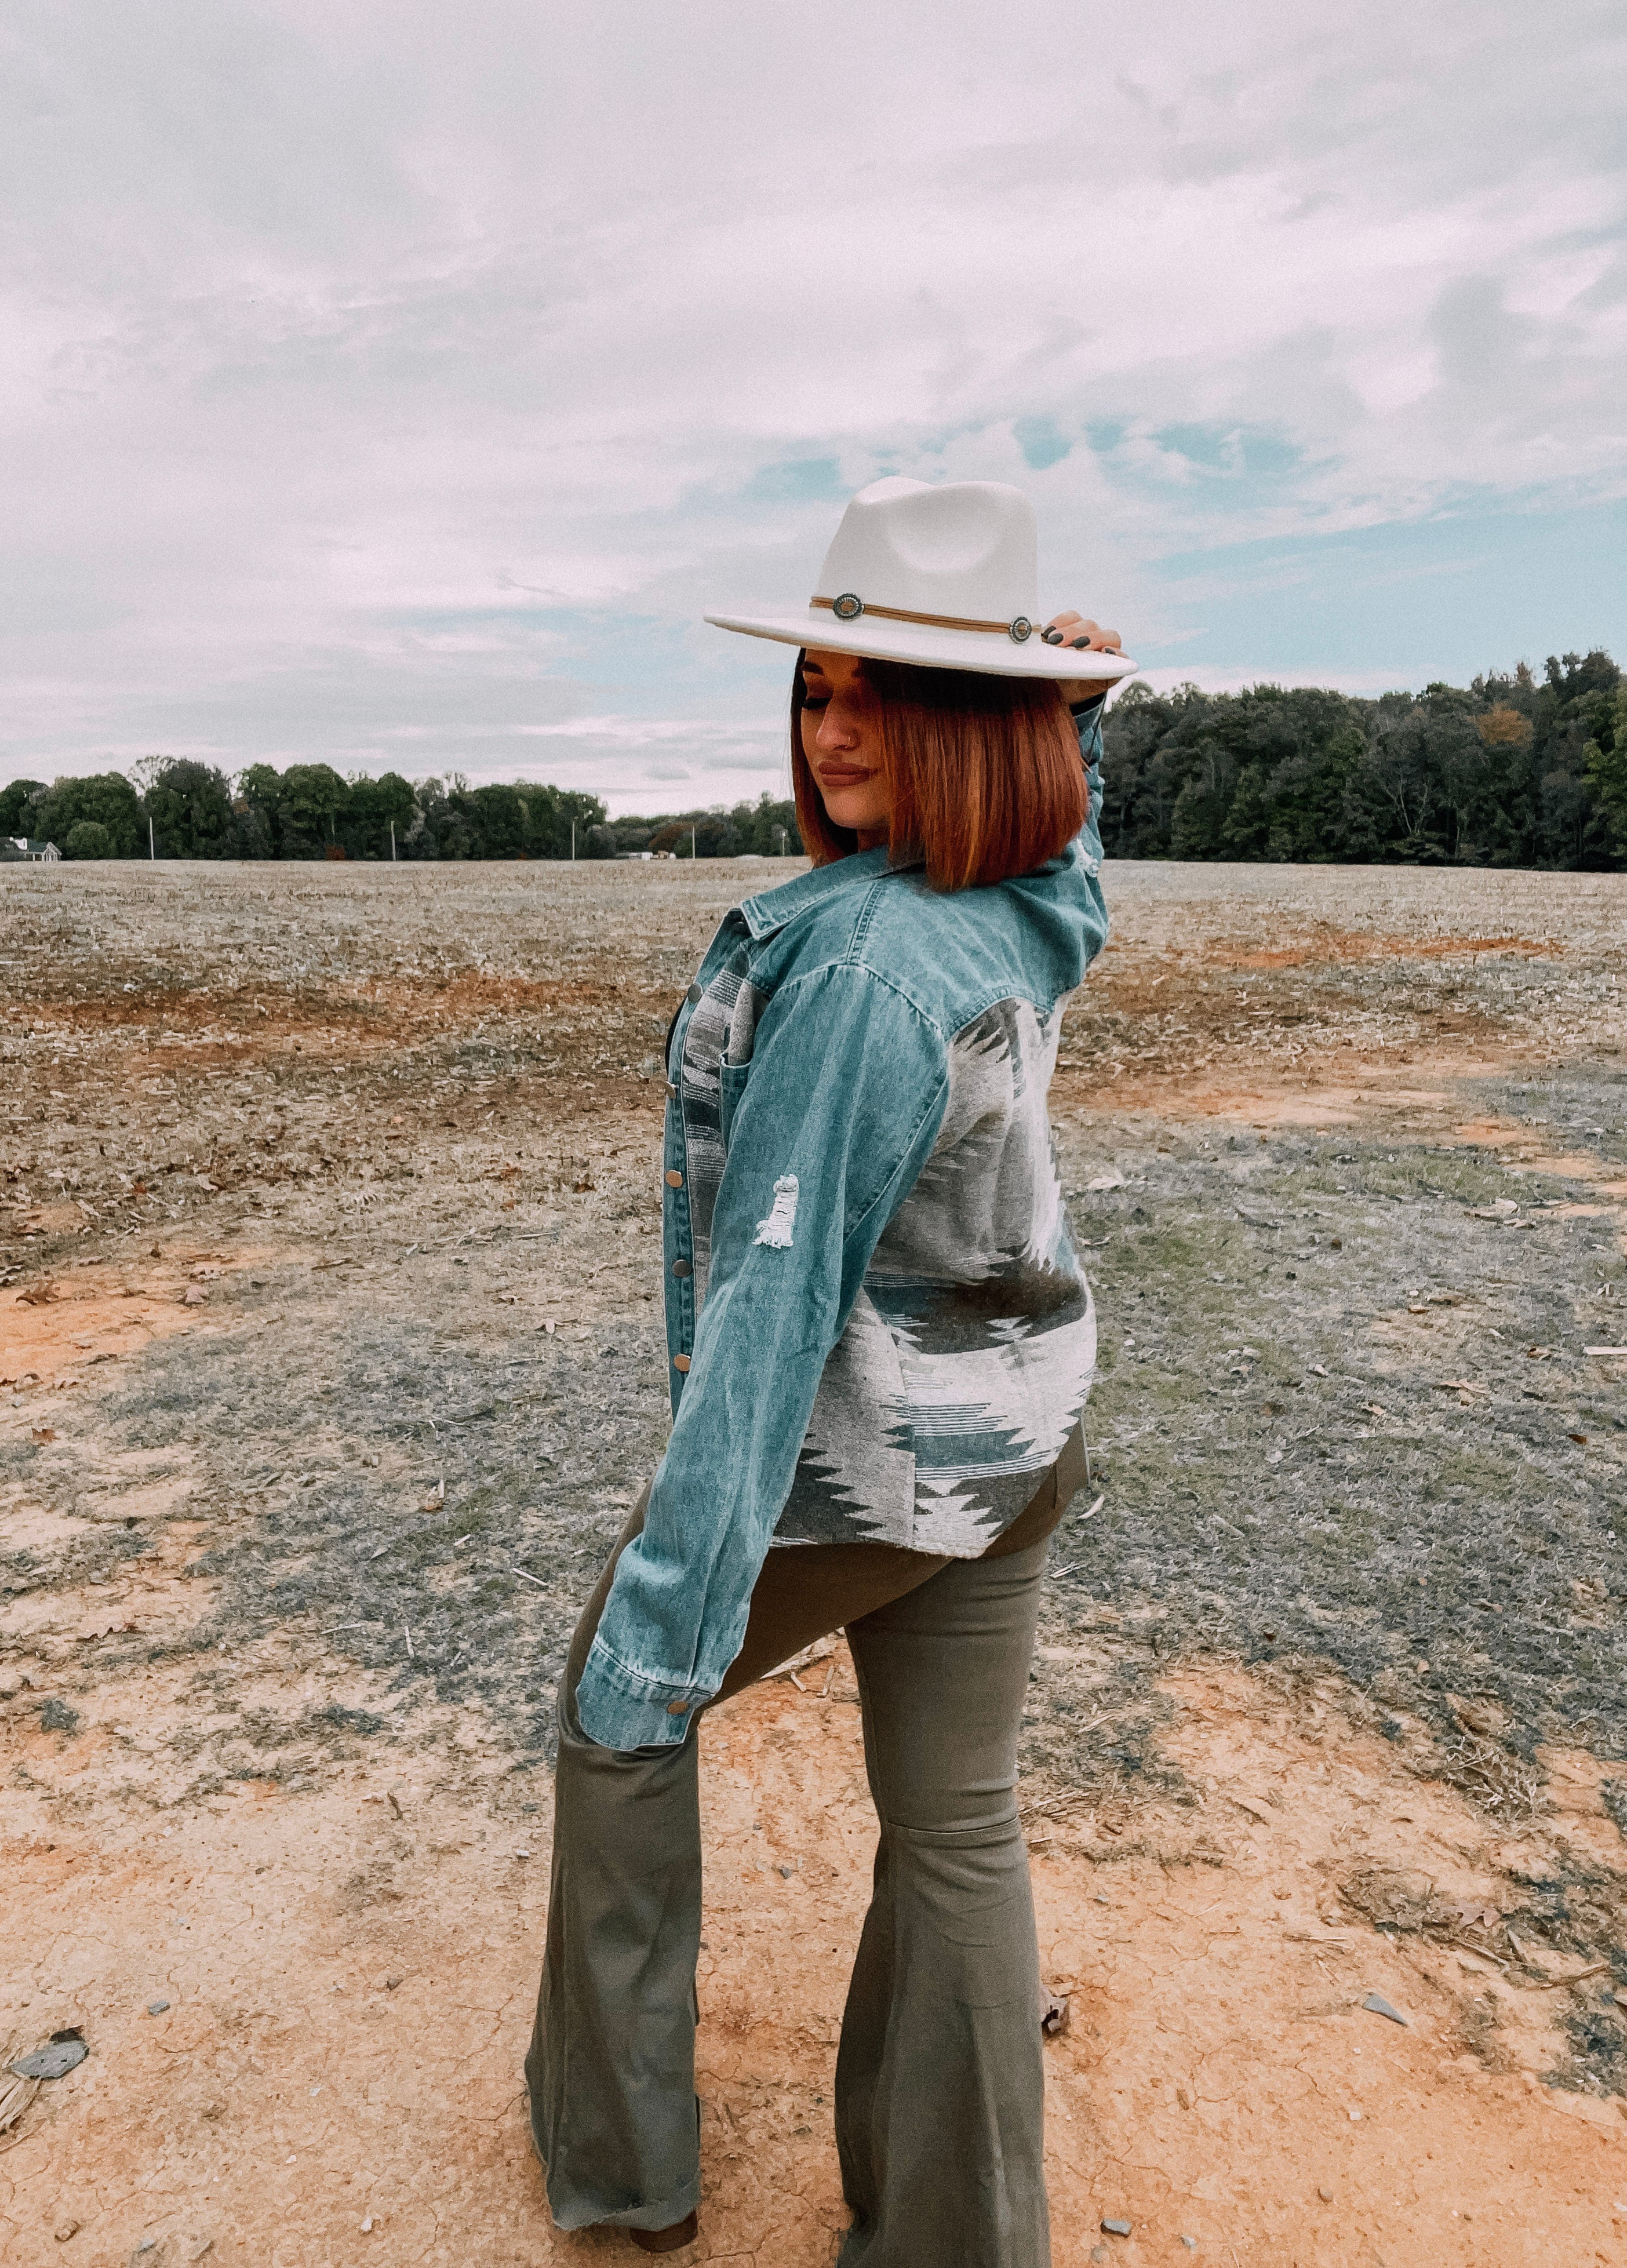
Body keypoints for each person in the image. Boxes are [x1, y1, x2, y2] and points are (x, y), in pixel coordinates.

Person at [525, 476, 1133, 2264]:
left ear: (968, 714)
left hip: (872, 1467)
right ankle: (957, 2234)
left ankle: (628, 2177)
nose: (832, 719)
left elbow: (771, 1326)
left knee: (610, 1714)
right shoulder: (1009, 901)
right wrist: (1067, 725)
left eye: (879, 683)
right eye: (814, 682)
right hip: (1018, 1440)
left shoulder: (866, 964)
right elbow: (1076, 884)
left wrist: (665, 1625)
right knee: (957, 1829)